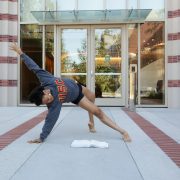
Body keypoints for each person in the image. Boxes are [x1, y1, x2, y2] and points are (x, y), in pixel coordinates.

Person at [10, 43, 131, 143]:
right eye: (45, 103)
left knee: (92, 96)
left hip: (78, 86)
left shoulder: (45, 79)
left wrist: (21, 53)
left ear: (45, 91)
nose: (48, 102)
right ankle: (123, 132)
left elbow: (34, 67)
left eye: (46, 99)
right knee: (98, 111)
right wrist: (42, 137)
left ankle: (91, 122)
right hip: (77, 97)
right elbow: (50, 121)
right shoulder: (54, 105)